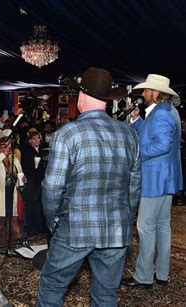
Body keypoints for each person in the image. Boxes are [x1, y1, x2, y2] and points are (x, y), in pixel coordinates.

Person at [36, 67, 141, 306]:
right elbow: (134, 188)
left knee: (52, 287)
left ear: (81, 96)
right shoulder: (130, 134)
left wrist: (53, 222)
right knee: (105, 295)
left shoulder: (68, 133)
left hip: (76, 225)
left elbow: (52, 187)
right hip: (117, 226)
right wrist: (126, 217)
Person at [122, 74, 183, 288]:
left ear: (155, 93)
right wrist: (136, 121)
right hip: (165, 178)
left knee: (145, 226)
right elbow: (150, 136)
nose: (143, 94)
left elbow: (161, 145)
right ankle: (161, 274)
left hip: (155, 179)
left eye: (146, 90)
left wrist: (135, 154)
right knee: (162, 226)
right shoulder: (166, 111)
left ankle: (144, 276)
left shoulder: (161, 114)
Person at [0, 137, 24, 244]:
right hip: (0, 195)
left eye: (6, 147)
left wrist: (23, 180)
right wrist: (2, 156)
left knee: (14, 219)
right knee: (1, 221)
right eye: (1, 148)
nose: (4, 150)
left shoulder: (14, 160)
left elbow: (20, 174)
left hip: (12, 194)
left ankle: (16, 242)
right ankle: (0, 243)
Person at [20, 130, 49, 236]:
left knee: (41, 206)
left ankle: (41, 230)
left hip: (43, 180)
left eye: (37, 138)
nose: (36, 140)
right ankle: (32, 230)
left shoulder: (45, 149)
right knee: (32, 206)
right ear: (30, 141)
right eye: (34, 138)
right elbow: (25, 165)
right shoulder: (27, 151)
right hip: (32, 181)